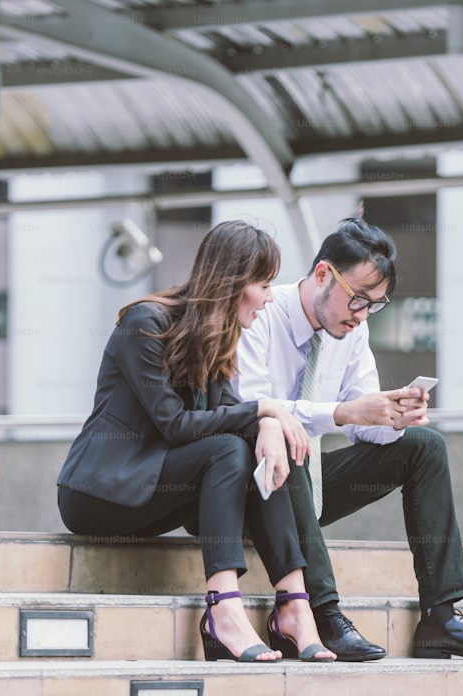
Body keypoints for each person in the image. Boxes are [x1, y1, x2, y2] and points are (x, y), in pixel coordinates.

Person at [232, 215, 463, 661]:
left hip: (306, 488)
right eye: (358, 300)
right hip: (248, 487)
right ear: (322, 274)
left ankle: (440, 616)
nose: (363, 314)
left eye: (376, 305)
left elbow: (360, 421)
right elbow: (248, 409)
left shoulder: (352, 330)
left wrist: (393, 417)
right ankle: (323, 613)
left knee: (425, 447)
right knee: (291, 437)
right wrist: (340, 411)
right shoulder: (260, 312)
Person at [56, 220, 335, 663]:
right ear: (232, 281)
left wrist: (268, 424)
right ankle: (222, 610)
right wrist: (265, 409)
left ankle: (294, 605)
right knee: (230, 448)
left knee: (266, 443)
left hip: (154, 491)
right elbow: (176, 424)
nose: (267, 297)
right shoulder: (145, 324)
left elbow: (227, 415)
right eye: (261, 284)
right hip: (99, 494)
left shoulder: (215, 339)